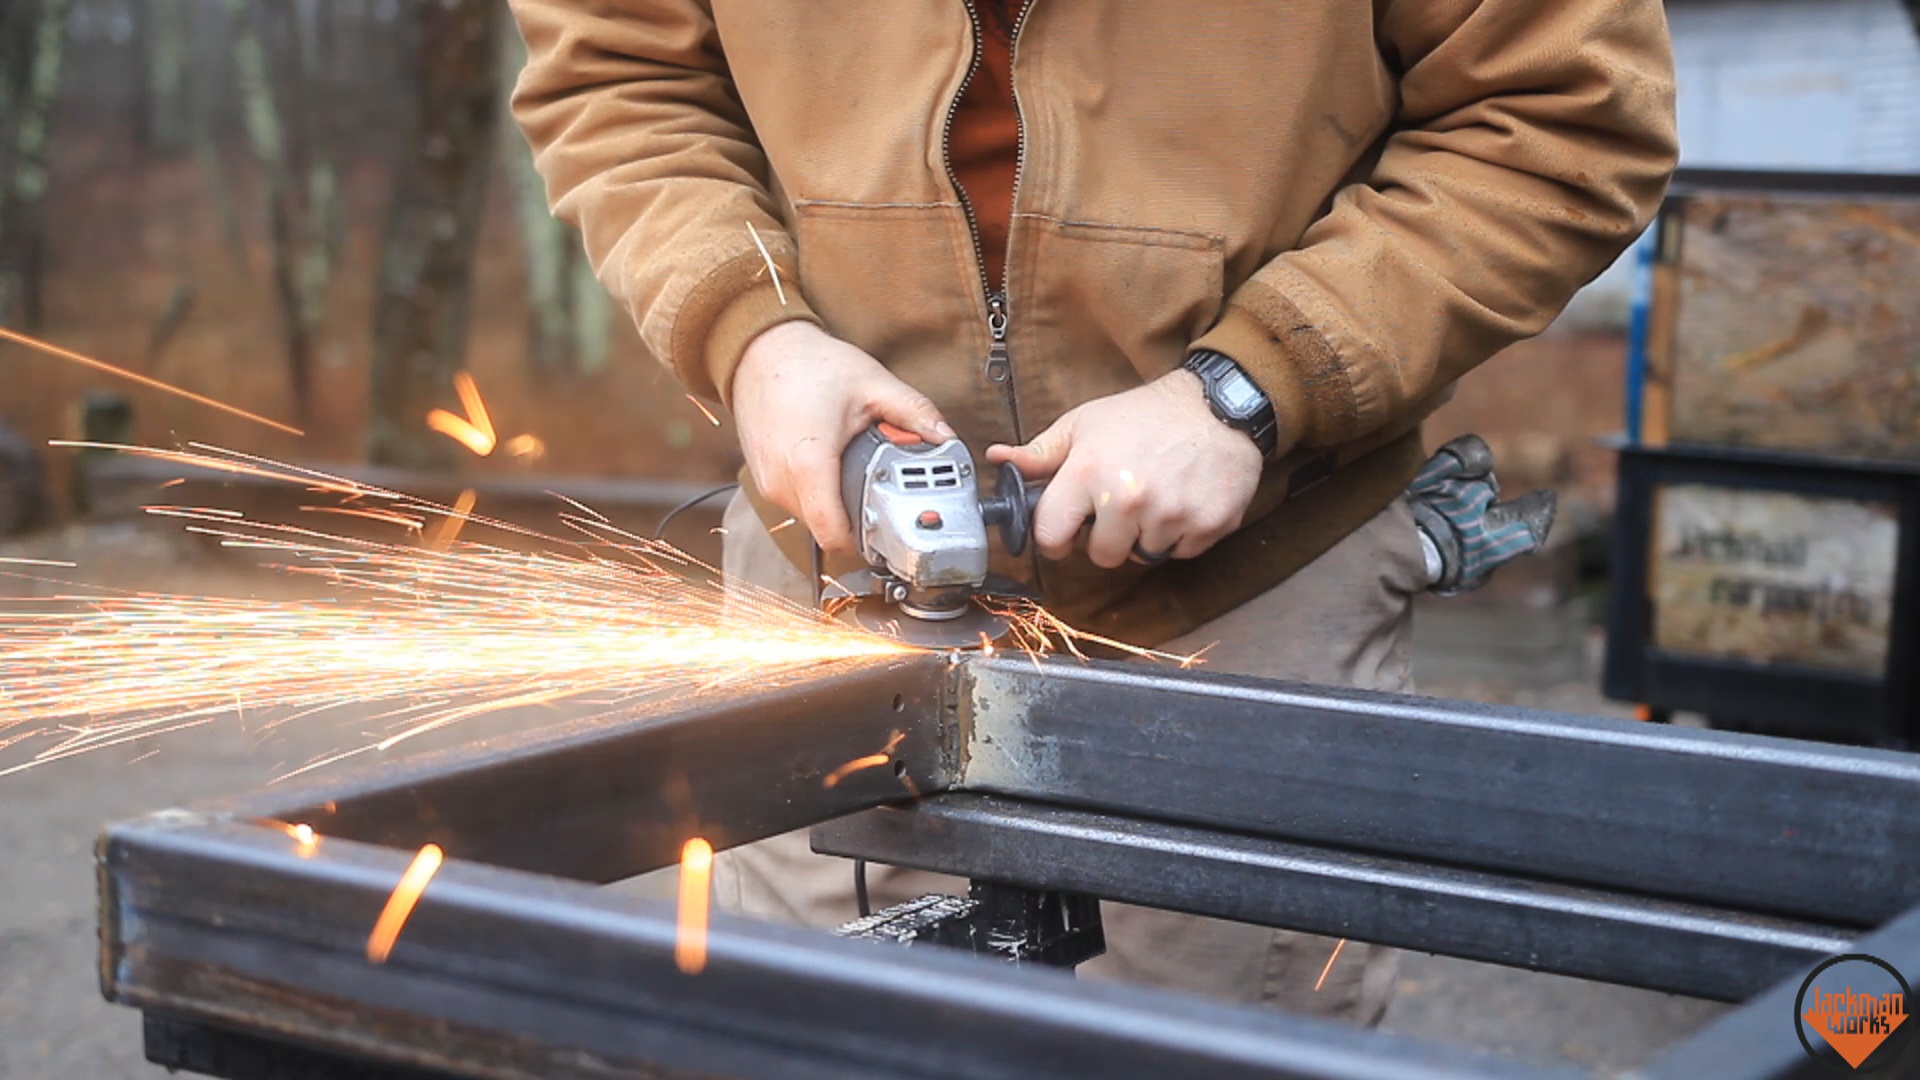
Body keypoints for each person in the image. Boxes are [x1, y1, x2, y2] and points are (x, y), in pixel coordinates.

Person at [508, 0, 1677, 1023]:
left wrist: (1254, 386)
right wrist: (749, 331)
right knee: (815, 1036)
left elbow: (1562, 117)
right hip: (821, 584)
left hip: (1241, 596)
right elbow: (619, 73)